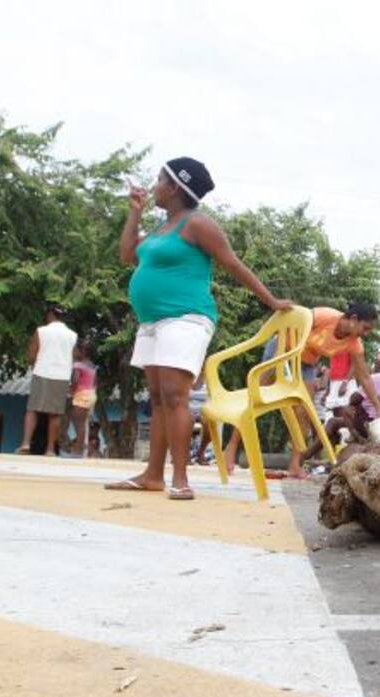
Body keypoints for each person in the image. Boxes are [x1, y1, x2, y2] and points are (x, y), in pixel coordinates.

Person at [105, 157, 292, 499]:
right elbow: (127, 255)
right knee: (158, 399)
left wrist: (272, 301)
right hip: (152, 322)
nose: (155, 186)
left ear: (175, 187)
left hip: (185, 318)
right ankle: (153, 475)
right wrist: (135, 212)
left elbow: (233, 264)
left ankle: (180, 478)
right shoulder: (161, 228)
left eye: (160, 179)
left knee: (175, 396)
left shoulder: (197, 224)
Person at [222, 302, 380, 477]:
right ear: (353, 319)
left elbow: (365, 378)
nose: (366, 333)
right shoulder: (324, 316)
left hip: (306, 364)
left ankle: (295, 465)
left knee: (304, 412)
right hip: (282, 351)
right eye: (365, 328)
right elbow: (293, 318)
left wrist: (379, 410)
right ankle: (231, 447)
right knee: (256, 399)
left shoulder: (354, 343)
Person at [302, 348, 380, 461]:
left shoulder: (376, 378)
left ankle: (306, 457)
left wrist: (349, 384)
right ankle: (314, 457)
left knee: (346, 411)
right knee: (334, 422)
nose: (374, 364)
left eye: (376, 361)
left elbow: (354, 399)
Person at [17, 305, 78, 455]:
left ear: (51, 315)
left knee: (33, 410)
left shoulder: (41, 331)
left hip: (42, 373)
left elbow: (32, 355)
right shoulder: (72, 335)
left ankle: (26, 444)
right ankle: (50, 449)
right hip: (61, 376)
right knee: (55, 414)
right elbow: (74, 357)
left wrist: (33, 364)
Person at [65, 341, 98, 457]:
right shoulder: (92, 365)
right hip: (91, 394)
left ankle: (78, 450)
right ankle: (80, 448)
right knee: (82, 423)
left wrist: (71, 392)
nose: (74, 352)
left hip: (81, 394)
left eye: (76, 349)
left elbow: (75, 380)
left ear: (82, 351)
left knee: (78, 424)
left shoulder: (78, 365)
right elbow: (95, 382)